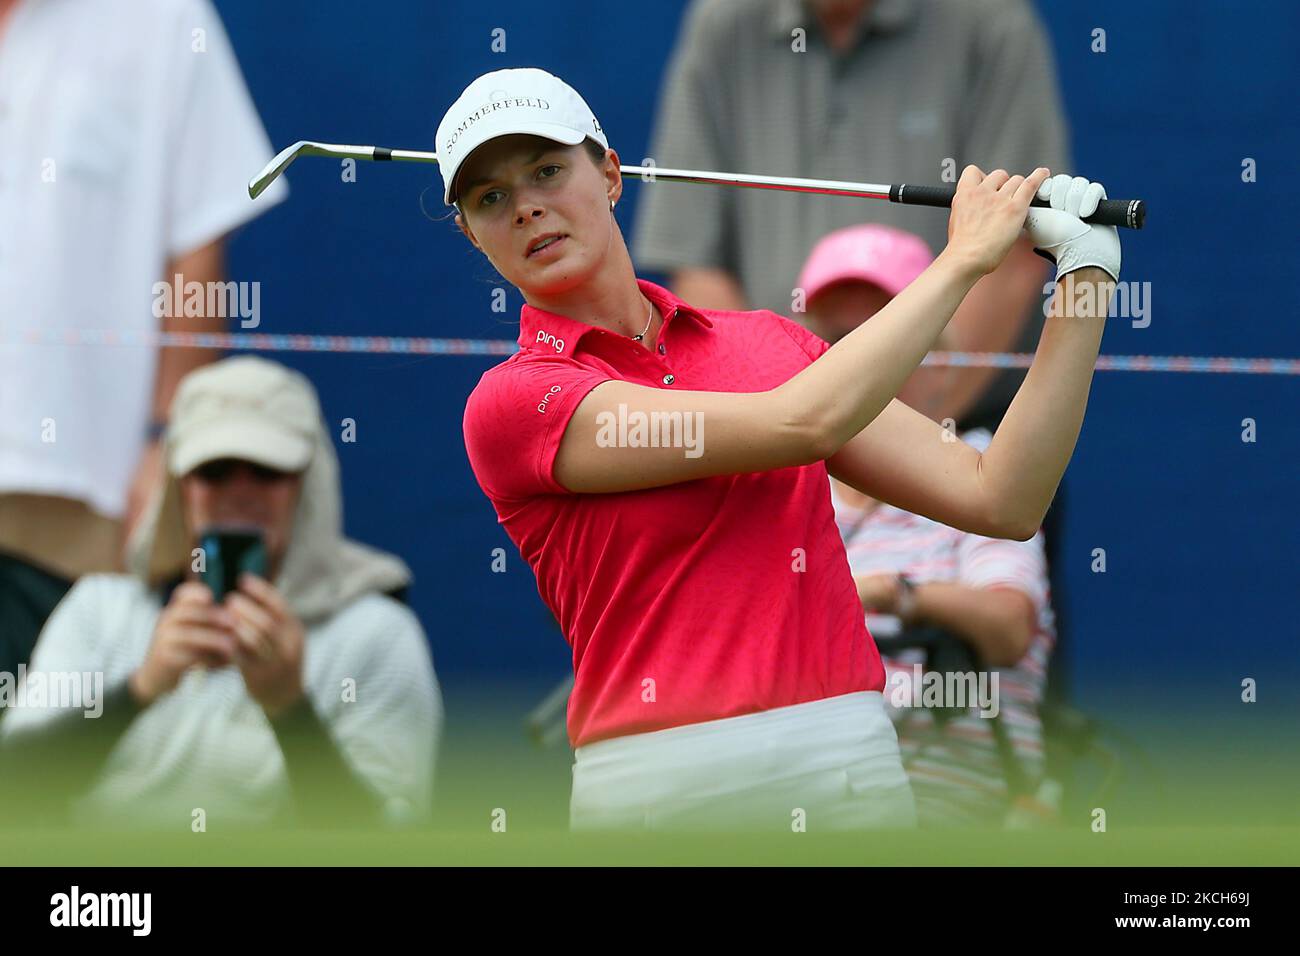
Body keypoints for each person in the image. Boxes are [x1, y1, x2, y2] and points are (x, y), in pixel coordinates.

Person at [444, 67, 1118, 831]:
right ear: (471, 232)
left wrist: (1084, 278)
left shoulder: (770, 342)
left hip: (846, 766)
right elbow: (803, 424)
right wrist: (963, 259)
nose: (528, 205)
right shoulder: (513, 403)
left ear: (609, 174)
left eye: (548, 170)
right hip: (656, 792)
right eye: (490, 198)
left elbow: (1002, 497)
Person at [0, 358, 442, 828]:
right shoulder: (100, 608)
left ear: (306, 484)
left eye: (267, 470)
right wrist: (141, 689)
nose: (240, 492)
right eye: (215, 470)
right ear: (180, 486)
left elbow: (390, 846)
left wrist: (290, 709)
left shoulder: (376, 634)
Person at [0, 0, 288, 683]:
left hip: (77, 499)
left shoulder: (161, 18)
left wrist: (169, 437)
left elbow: (198, 246)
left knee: (53, 768)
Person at [631, 0, 1070, 433]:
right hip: (780, 440)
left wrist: (894, 445)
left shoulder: (993, 23)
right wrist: (785, 430)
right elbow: (697, 263)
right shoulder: (721, 24)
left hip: (955, 436)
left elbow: (1014, 251)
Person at [799, 224, 1057, 826]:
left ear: (941, 361)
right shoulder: (782, 486)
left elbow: (1009, 626)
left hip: (956, 803)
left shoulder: (984, 467)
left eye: (887, 334)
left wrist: (894, 594)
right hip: (803, 797)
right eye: (838, 339)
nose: (859, 358)